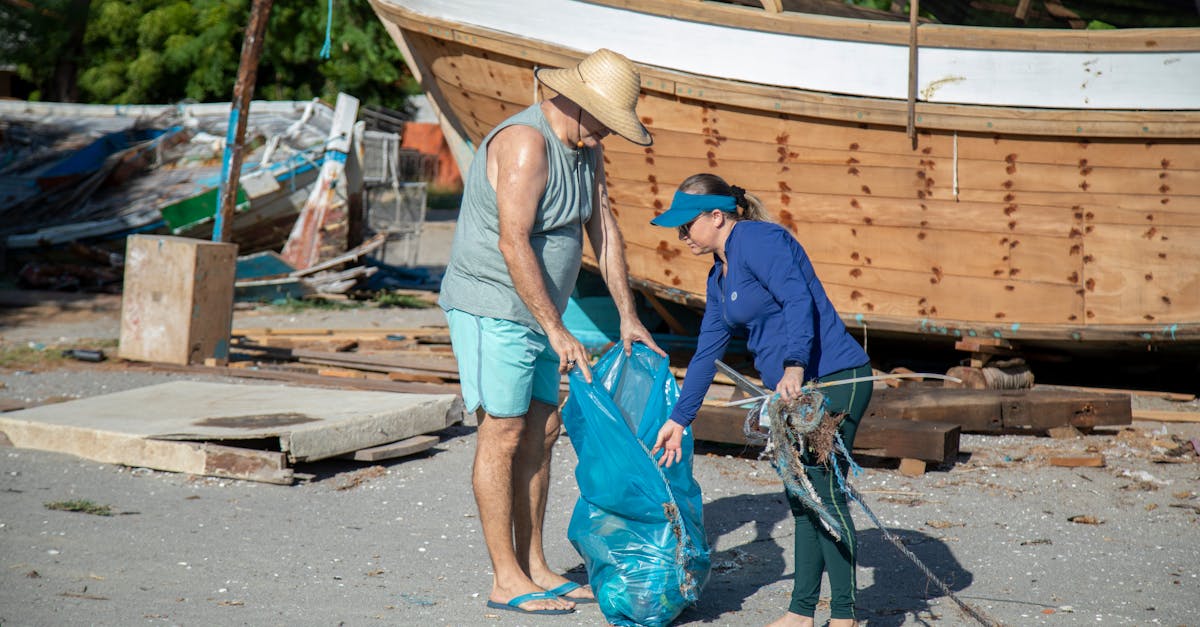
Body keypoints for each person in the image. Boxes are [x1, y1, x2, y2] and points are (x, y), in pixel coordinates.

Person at [439, 48, 665, 616]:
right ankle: (505, 578)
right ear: (580, 104)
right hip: (495, 306)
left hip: (543, 313)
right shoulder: (526, 144)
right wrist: (555, 327)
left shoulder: (584, 148)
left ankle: (535, 564)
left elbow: (605, 231)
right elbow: (512, 241)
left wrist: (628, 315)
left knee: (542, 429)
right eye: (606, 122)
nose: (609, 136)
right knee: (504, 431)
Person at [648, 173, 873, 627]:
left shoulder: (760, 240)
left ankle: (846, 617)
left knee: (824, 495)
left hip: (833, 378)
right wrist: (680, 419)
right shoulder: (718, 275)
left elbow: (798, 301)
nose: (681, 235)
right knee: (801, 498)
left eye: (686, 225)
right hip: (794, 392)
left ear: (717, 216)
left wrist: (794, 363)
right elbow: (706, 352)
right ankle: (801, 612)